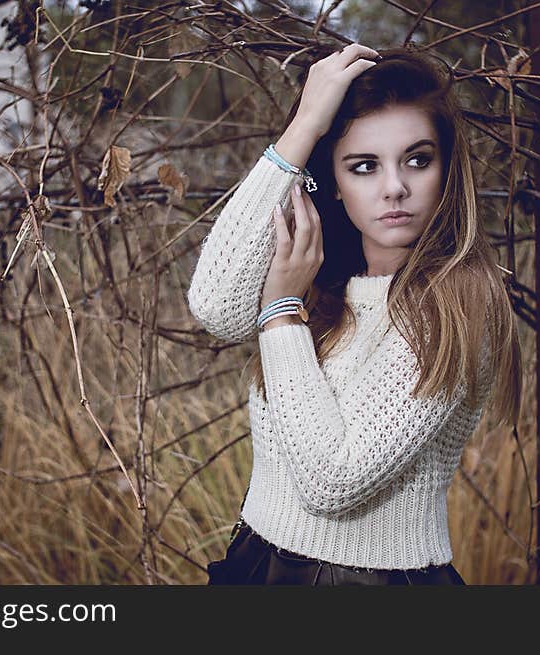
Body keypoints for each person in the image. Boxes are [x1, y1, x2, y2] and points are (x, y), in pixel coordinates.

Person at [187, 44, 522, 585]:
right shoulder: (326, 287)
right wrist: (303, 130)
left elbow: (333, 482)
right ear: (335, 186)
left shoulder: (461, 304)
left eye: (418, 159)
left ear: (446, 167)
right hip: (256, 563)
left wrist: (279, 313)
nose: (395, 187)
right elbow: (216, 306)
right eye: (364, 166)